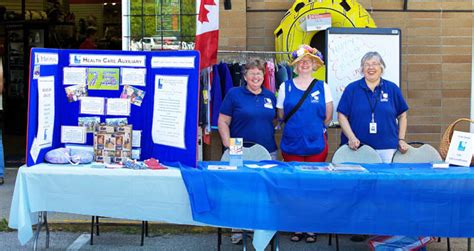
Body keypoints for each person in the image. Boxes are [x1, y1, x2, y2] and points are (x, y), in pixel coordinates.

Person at [276, 44, 333, 243]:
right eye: (301, 62)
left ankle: (311, 226)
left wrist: (312, 128)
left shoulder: (322, 86)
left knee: (313, 185)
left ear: (314, 65)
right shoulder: (285, 86)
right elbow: (282, 114)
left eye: (308, 62)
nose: (304, 64)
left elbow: (327, 116)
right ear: (296, 66)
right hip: (292, 144)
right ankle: (297, 226)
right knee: (295, 185)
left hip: (316, 144)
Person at [217, 58, 278, 244]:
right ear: (245, 76)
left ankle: (261, 230)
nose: (255, 76)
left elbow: (274, 121)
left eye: (259, 73)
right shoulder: (234, 94)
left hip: (267, 149)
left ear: (263, 75)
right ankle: (237, 228)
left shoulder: (270, 96)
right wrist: (227, 143)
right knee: (238, 190)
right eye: (251, 73)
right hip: (238, 147)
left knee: (264, 191)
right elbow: (223, 121)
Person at [337, 51, 409, 164]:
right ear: (362, 69)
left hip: (387, 148)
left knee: (385, 180)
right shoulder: (352, 89)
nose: (371, 67)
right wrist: (351, 137)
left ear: (381, 68)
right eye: (367, 64)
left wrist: (401, 139)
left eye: (375, 63)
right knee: (359, 181)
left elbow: (403, 115)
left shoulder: (392, 88)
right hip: (357, 148)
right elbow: (341, 116)